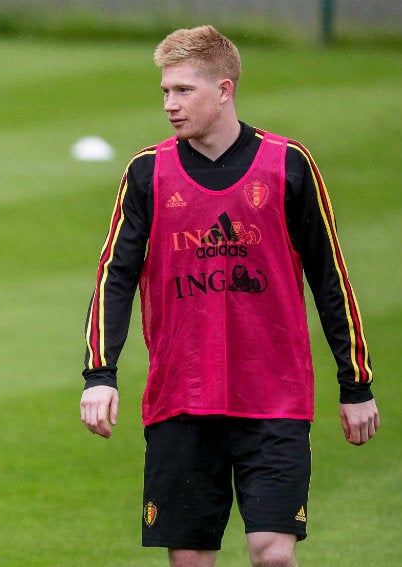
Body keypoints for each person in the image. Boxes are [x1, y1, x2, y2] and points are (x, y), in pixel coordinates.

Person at [79, 25, 379, 567]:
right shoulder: (147, 172)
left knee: (272, 555)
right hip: (181, 397)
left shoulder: (288, 165)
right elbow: (113, 276)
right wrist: (100, 376)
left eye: (184, 90)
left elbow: (330, 277)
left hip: (274, 397)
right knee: (190, 558)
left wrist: (355, 384)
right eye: (165, 91)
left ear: (224, 90)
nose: (170, 104)